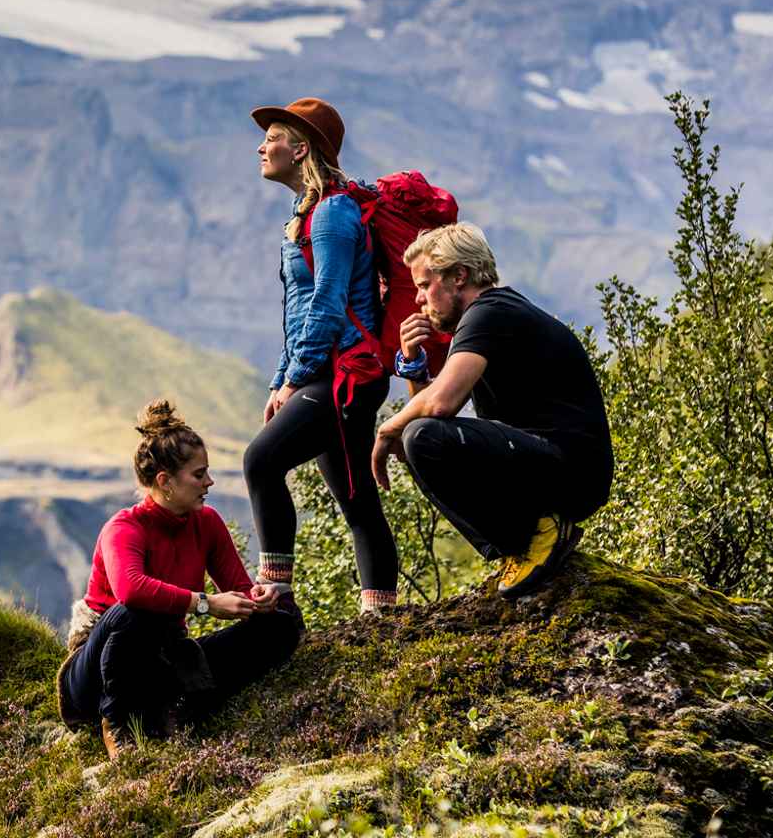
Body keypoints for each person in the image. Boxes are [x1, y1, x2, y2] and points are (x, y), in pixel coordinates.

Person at [369, 223, 613, 598]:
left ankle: (537, 537)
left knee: (419, 436)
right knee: (418, 436)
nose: (418, 299)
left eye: (424, 285)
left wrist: (387, 429)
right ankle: (520, 546)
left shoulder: (489, 313)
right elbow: (433, 410)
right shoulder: (490, 315)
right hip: (558, 467)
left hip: (570, 470)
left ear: (458, 276)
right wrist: (414, 366)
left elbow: (439, 405)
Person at [58, 400, 300, 758]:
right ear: (165, 481)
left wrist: (259, 599)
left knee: (281, 623)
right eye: (199, 475)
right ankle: (117, 722)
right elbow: (131, 590)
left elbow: (238, 588)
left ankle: (176, 706)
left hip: (161, 658)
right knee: (133, 613)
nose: (209, 482)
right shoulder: (123, 528)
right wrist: (205, 604)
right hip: (94, 677)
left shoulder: (207, 522)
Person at [241, 97, 399, 612]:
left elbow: (328, 305)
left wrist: (294, 380)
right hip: (332, 371)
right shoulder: (308, 211)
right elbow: (298, 311)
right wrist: (280, 378)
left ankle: (277, 598)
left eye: (272, 138)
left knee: (261, 461)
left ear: (301, 149)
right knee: (355, 497)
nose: (261, 147)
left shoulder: (331, 214)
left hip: (345, 373)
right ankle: (380, 611)